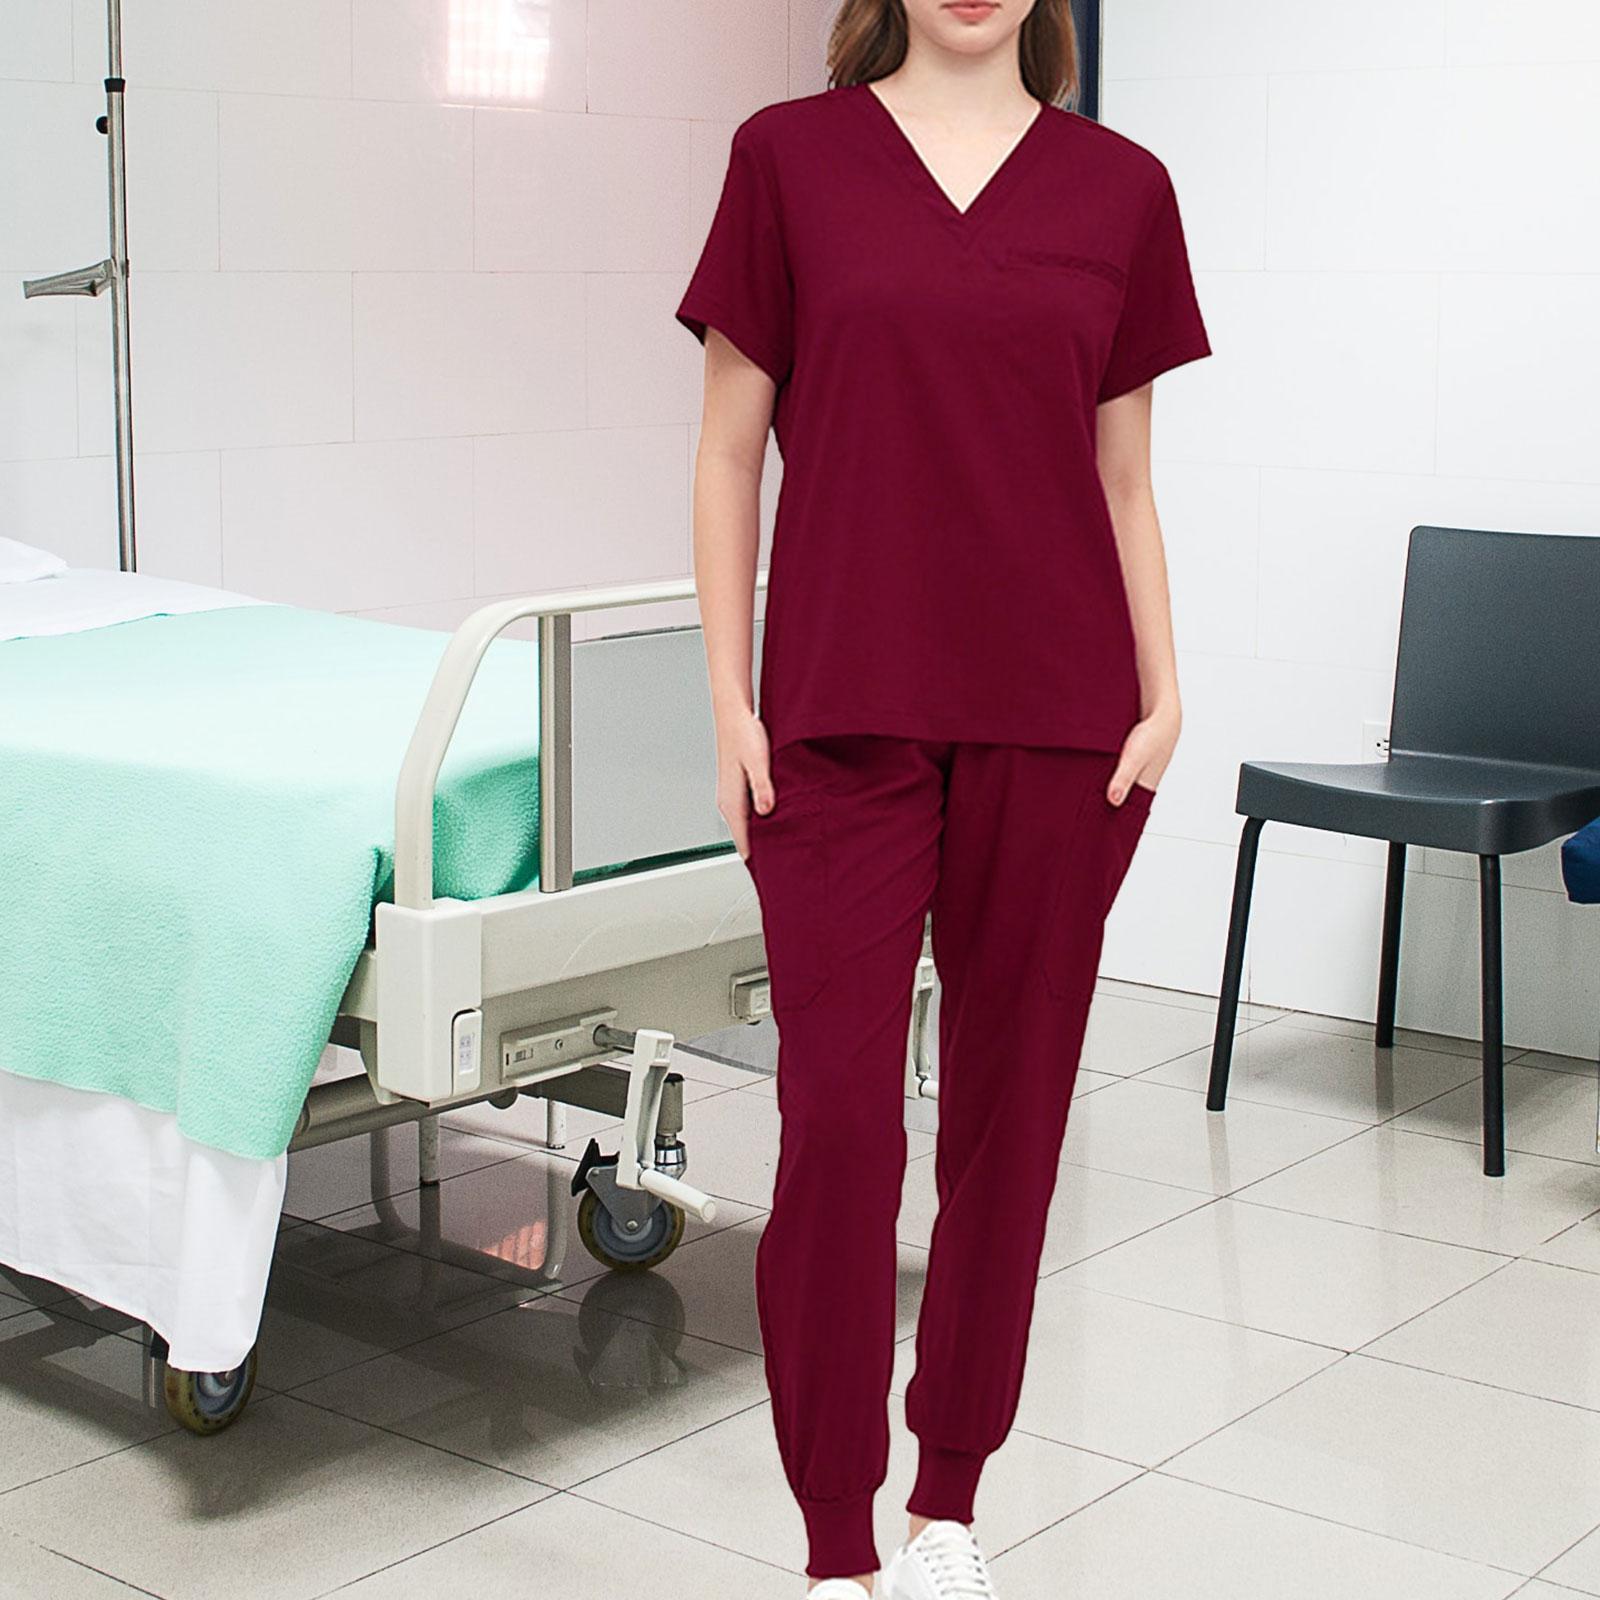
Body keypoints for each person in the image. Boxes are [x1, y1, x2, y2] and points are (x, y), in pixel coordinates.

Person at [674, 1, 1210, 1594]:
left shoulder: (1122, 189)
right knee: (840, 1125)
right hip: (839, 715)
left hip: (1063, 717)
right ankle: (838, 1545)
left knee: (1009, 1124)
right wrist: (730, 699)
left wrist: (1166, 687)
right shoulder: (787, 161)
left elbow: (1125, 474)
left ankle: (946, 1511)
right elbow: (727, 452)